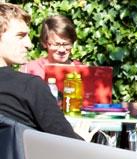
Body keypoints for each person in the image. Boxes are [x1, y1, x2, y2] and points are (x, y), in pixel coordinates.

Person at [0, 4, 81, 141]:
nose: (29, 44)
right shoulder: (30, 87)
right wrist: (84, 138)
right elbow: (70, 144)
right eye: (21, 36)